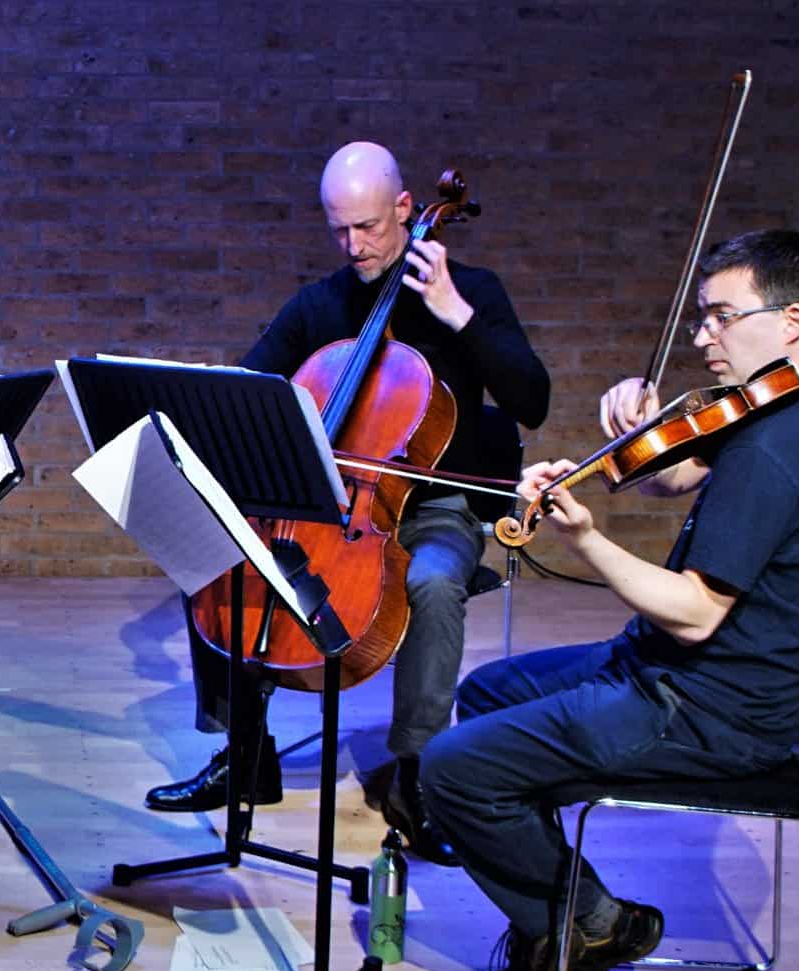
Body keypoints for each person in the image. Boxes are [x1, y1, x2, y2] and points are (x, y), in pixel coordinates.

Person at [418, 229, 799, 971]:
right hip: (685, 671)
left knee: (450, 769)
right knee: (489, 693)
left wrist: (586, 539)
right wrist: (643, 430)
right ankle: (565, 908)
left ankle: (591, 922)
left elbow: (696, 615)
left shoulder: (777, 450)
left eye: (722, 317)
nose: (702, 338)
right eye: (701, 318)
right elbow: (676, 477)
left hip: (706, 706)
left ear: (792, 321)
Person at [144, 142, 550, 864]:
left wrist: (458, 316)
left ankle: (419, 775)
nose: (354, 245)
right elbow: (249, 389)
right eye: (339, 229)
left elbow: (533, 400)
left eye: (368, 227)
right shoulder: (319, 305)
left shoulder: (472, 291)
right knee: (213, 557)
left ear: (406, 209)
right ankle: (247, 754)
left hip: (437, 509)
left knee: (432, 583)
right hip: (325, 506)